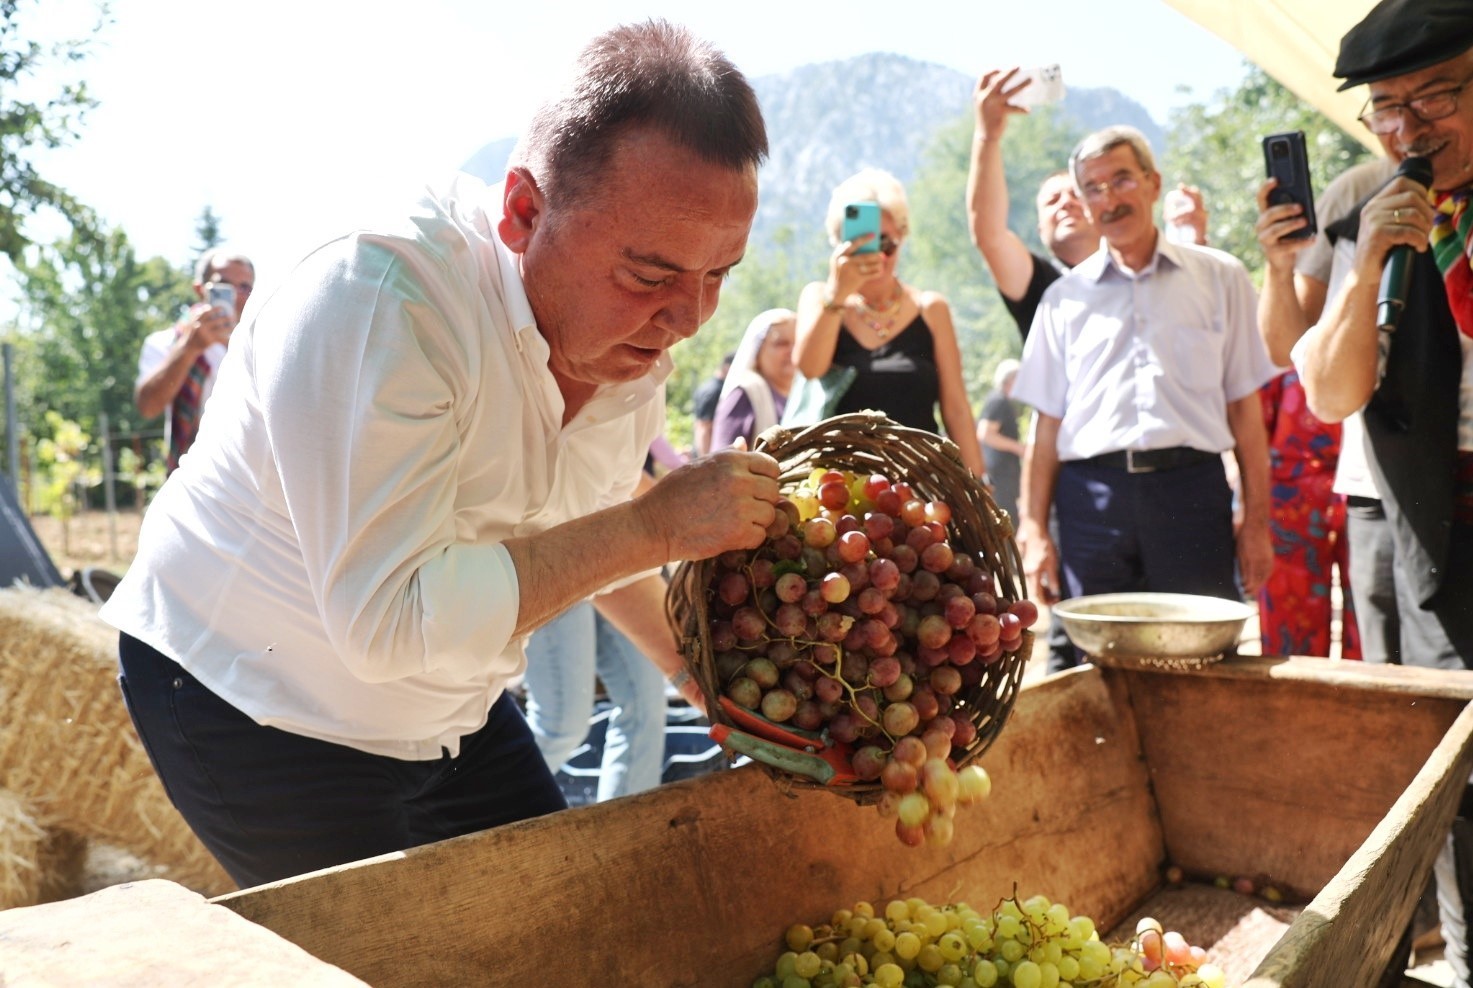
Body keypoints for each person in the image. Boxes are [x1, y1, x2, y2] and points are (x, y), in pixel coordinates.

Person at [98, 19, 780, 890]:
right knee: (390, 966)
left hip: (449, 712)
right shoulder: (378, 294)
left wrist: (708, 684)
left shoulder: (621, 345)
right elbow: (394, 619)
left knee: (560, 931)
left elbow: (593, 553)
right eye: (650, 275)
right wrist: (654, 528)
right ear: (525, 211)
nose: (690, 319)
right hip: (254, 701)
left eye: (717, 274)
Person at [1284, 6, 1473, 981]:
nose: (1410, 128)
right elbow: (1331, 390)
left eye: (1436, 95)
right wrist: (1365, 272)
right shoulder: (1381, 217)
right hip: (1438, 535)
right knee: (1447, 776)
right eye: (1389, 107)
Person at [966, 69, 1212, 674]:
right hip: (1081, 492)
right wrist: (989, 135)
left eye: (1076, 194)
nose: (1068, 205)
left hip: (1174, 492)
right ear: (1042, 233)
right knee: (1081, 647)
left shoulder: (1174, 274)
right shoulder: (1044, 288)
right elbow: (987, 231)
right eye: (1050, 202)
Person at [1011, 125, 1277, 666]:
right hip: (1092, 501)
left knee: (1201, 660)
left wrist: (1256, 522)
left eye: (1122, 179)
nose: (1109, 198)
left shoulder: (1220, 277)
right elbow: (1047, 426)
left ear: (1153, 183)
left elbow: (1245, 413)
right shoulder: (1062, 300)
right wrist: (1034, 527)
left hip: (1192, 495)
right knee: (1092, 663)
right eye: (1094, 187)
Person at [1257, 157, 1399, 661]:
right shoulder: (1352, 191)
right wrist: (1279, 267)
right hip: (1301, 488)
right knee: (1295, 638)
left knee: (1377, 641)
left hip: (1379, 473)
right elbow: (1280, 357)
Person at [793, 169, 985, 477]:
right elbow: (810, 368)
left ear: (902, 238)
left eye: (887, 243)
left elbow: (957, 410)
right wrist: (839, 294)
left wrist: (980, 485)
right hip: (837, 488)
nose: (877, 256)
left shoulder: (931, 308)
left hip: (920, 485)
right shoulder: (821, 298)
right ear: (838, 245)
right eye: (861, 244)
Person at [134, 248, 254, 473]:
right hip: (192, 478)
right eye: (224, 285)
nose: (236, 294)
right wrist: (189, 348)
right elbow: (148, 407)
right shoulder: (165, 343)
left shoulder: (261, 346)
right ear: (200, 290)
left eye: (245, 287)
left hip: (248, 479)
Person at [711, 308, 796, 451]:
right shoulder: (745, 393)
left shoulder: (800, 395)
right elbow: (723, 461)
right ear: (757, 351)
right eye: (781, 343)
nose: (792, 350)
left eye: (797, 343)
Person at [977, 359, 1023, 525]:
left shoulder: (1000, 400)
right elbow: (985, 433)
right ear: (1010, 379)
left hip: (1003, 472)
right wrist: (1018, 448)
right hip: (1000, 473)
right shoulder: (998, 401)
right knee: (1007, 519)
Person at [691, 351, 734, 456]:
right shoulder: (714, 391)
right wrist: (705, 459)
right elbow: (703, 427)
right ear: (726, 367)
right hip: (707, 453)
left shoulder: (708, 386)